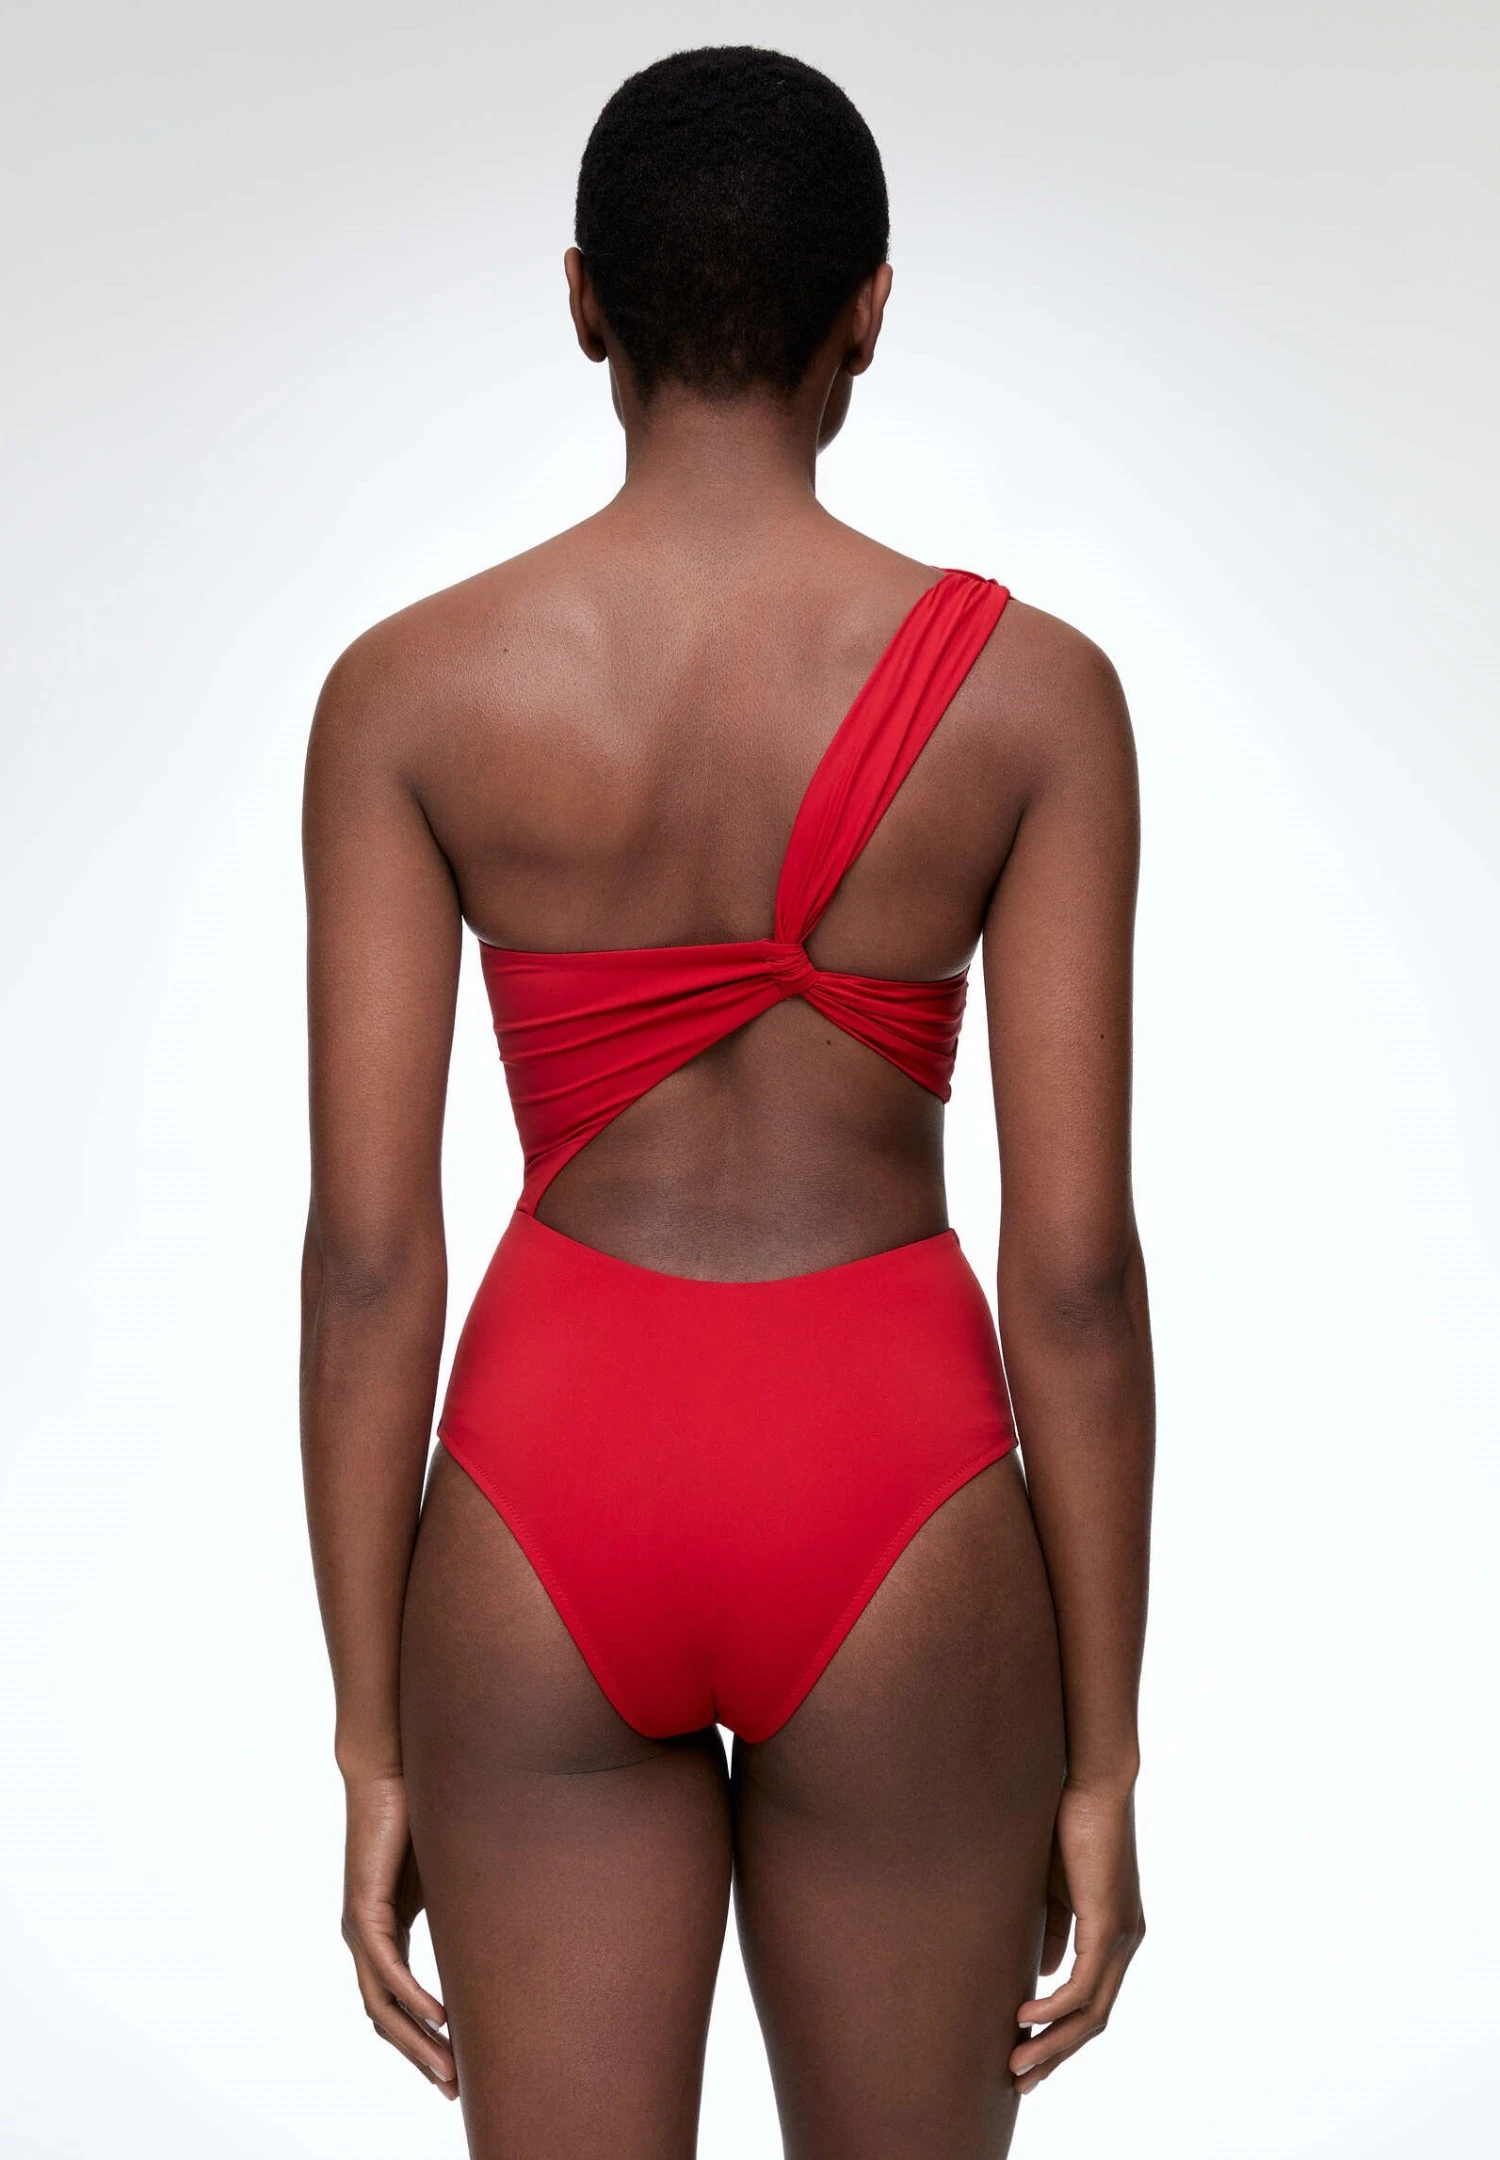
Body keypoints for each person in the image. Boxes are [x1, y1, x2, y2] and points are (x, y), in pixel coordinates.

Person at [300, 44, 1152, 2160]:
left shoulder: (410, 694)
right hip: (898, 1486)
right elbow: (1075, 1275)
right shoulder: (1037, 700)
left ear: (584, 300)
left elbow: (369, 1261)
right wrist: (1106, 1754)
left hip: (544, 1487)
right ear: (871, 309)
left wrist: (370, 1741)